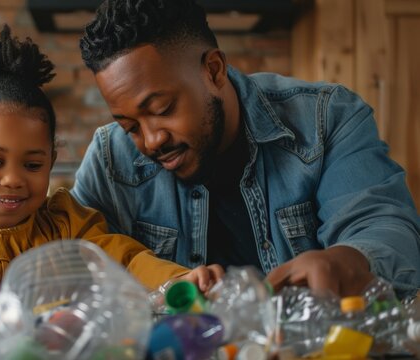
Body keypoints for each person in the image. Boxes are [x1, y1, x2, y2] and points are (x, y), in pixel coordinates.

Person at [71, 0, 420, 299]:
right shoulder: (109, 159)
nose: (150, 141)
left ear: (214, 70)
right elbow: (70, 260)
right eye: (130, 126)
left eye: (162, 109)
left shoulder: (326, 119)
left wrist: (348, 259)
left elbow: (384, 226)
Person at [0, 25, 222, 296]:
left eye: (32, 165)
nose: (13, 179)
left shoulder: (67, 227)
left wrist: (178, 279)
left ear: (51, 160)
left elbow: (127, 259)